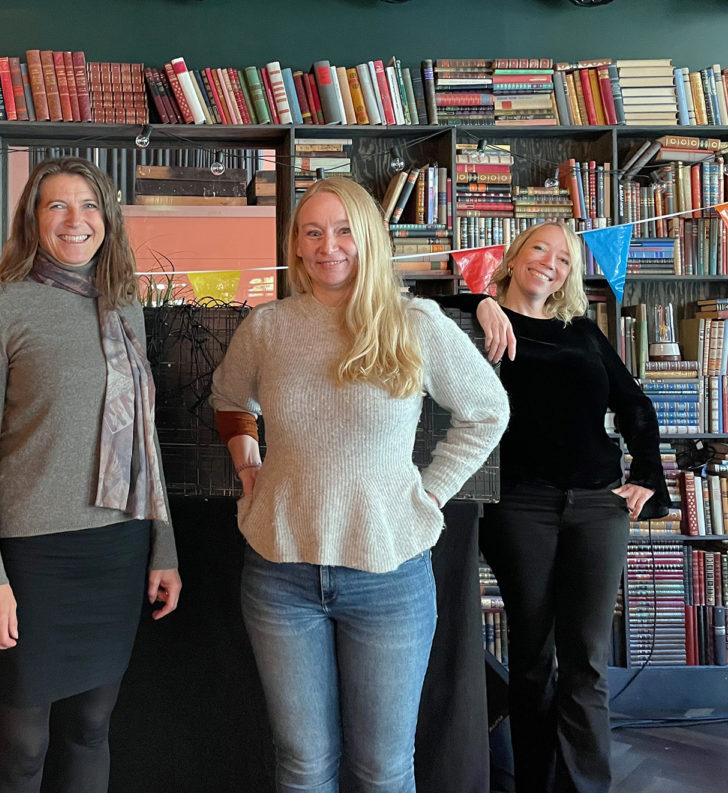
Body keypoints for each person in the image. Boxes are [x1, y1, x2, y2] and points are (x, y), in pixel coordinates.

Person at [210, 176, 509, 793]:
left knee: (381, 769)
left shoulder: (414, 322)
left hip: (389, 578)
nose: (329, 246)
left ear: (370, 238)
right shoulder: (267, 327)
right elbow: (229, 398)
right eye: (313, 232)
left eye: (345, 230)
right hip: (280, 573)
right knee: (302, 766)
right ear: (296, 243)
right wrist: (248, 464)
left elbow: (488, 409)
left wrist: (430, 491)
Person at [0, 156, 181, 793]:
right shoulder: (2, 305)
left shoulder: (126, 308)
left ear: (107, 219)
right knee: (21, 747)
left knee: (92, 726)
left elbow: (146, 445)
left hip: (117, 547)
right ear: (34, 219)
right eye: (57, 205)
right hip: (31, 556)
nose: (75, 220)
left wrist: (163, 548)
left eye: (88, 206)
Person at [436, 221, 670, 793]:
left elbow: (636, 405)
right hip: (521, 506)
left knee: (586, 659)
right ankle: (533, 784)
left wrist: (647, 477)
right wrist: (477, 302)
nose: (551, 263)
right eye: (540, 248)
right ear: (515, 258)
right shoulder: (471, 323)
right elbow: (409, 307)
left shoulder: (583, 332)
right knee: (533, 656)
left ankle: (588, 787)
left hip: (596, 506)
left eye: (564, 259)